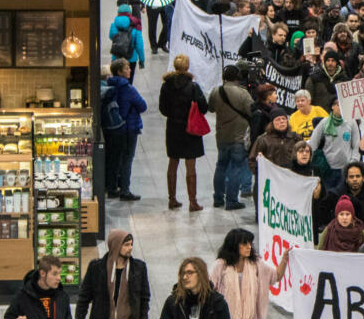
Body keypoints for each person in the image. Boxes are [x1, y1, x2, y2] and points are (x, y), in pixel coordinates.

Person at [210, 229, 290, 319]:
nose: (249, 246)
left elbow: (276, 276)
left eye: (250, 243)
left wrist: (284, 260)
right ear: (234, 245)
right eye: (244, 243)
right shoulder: (221, 266)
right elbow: (210, 290)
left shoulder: (256, 264)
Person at [73, 229, 150, 319]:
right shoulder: (97, 268)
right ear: (116, 246)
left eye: (131, 244)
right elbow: (84, 299)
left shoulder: (139, 268)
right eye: (126, 245)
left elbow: (145, 299)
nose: (130, 248)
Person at [159, 54, 209, 212]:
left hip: (173, 127)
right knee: (190, 165)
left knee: (172, 162)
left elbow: (163, 109)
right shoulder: (193, 87)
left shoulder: (166, 85)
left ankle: (172, 199)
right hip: (190, 128)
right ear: (187, 67)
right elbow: (203, 107)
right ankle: (193, 202)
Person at [209, 64, 255, 210]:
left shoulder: (216, 91)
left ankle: (218, 198)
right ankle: (231, 200)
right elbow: (252, 111)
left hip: (222, 135)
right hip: (239, 136)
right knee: (236, 168)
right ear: (238, 77)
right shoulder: (243, 93)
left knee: (220, 166)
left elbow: (210, 108)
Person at [103, 59, 148, 200]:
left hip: (113, 126)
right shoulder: (128, 89)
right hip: (129, 127)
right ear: (119, 72)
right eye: (127, 68)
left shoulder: (110, 86)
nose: (130, 70)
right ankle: (125, 190)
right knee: (127, 159)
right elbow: (143, 106)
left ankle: (112, 187)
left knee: (115, 158)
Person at [109, 6, 146, 83]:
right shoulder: (136, 26)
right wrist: (141, 60)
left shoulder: (114, 25)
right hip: (131, 59)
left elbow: (111, 36)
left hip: (116, 58)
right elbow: (139, 45)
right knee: (128, 83)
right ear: (130, 13)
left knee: (116, 82)